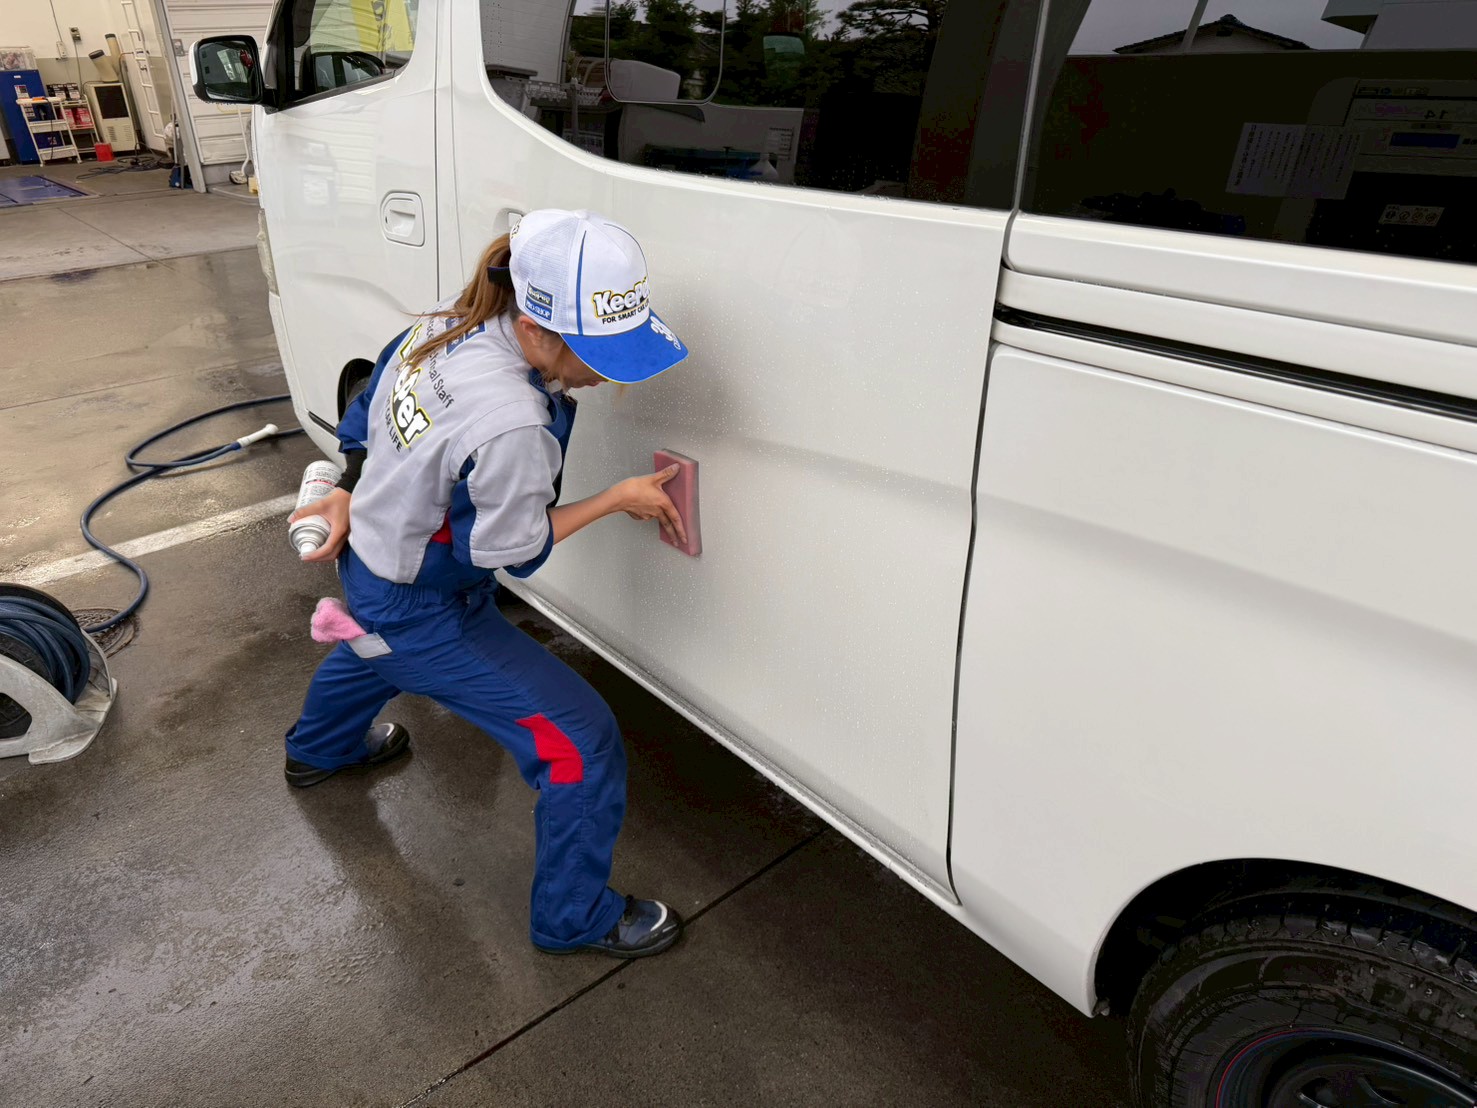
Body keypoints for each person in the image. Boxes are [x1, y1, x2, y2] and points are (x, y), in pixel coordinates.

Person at [282, 210, 690, 959]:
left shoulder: (451, 320)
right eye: (601, 354)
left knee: (371, 646)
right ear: (538, 329)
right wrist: (615, 499)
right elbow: (513, 550)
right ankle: (573, 917)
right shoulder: (513, 424)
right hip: (420, 605)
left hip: (373, 564)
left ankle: (318, 750)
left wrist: (349, 484)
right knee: (581, 744)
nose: (608, 375)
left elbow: (370, 401)